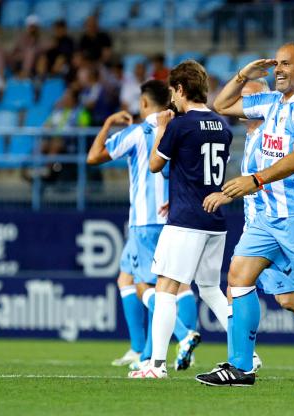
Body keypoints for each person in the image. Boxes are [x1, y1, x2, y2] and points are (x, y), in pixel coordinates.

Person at [195, 43, 294, 389]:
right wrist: (243, 75)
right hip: (269, 215)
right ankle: (241, 368)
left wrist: (254, 179)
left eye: (287, 64)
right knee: (238, 277)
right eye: (277, 64)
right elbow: (221, 105)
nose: (280, 69)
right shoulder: (270, 103)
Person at [128, 61, 233, 379]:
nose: (171, 96)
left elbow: (155, 165)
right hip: (215, 219)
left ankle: (155, 366)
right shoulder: (223, 125)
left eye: (173, 90)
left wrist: (161, 129)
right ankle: (246, 352)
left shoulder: (180, 125)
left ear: (181, 89)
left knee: (164, 288)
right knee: (211, 289)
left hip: (186, 219)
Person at [86, 80, 199, 369]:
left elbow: (94, 157)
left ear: (145, 103)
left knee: (146, 286)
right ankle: (143, 351)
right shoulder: (181, 128)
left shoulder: (138, 132)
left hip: (145, 222)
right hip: (175, 217)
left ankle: (182, 337)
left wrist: (109, 123)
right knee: (138, 279)